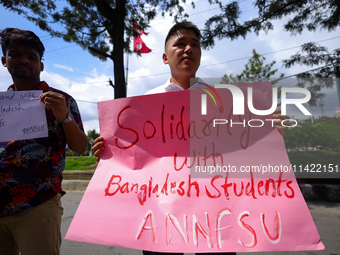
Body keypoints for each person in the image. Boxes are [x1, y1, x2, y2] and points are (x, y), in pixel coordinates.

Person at [92, 21, 289, 254]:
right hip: (161, 209)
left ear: (200, 54)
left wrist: (271, 132)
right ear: (165, 57)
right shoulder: (145, 102)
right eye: (180, 44)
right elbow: (136, 157)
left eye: (195, 45)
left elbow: (242, 148)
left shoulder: (223, 100)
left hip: (215, 209)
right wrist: (110, 154)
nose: (188, 49)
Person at [0, 28, 88, 255]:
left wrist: (64, 116)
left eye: (32, 56)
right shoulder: (2, 104)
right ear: (4, 60)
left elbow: (80, 147)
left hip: (38, 203)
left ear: (41, 65)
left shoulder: (62, 101)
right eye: (15, 54)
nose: (23, 60)